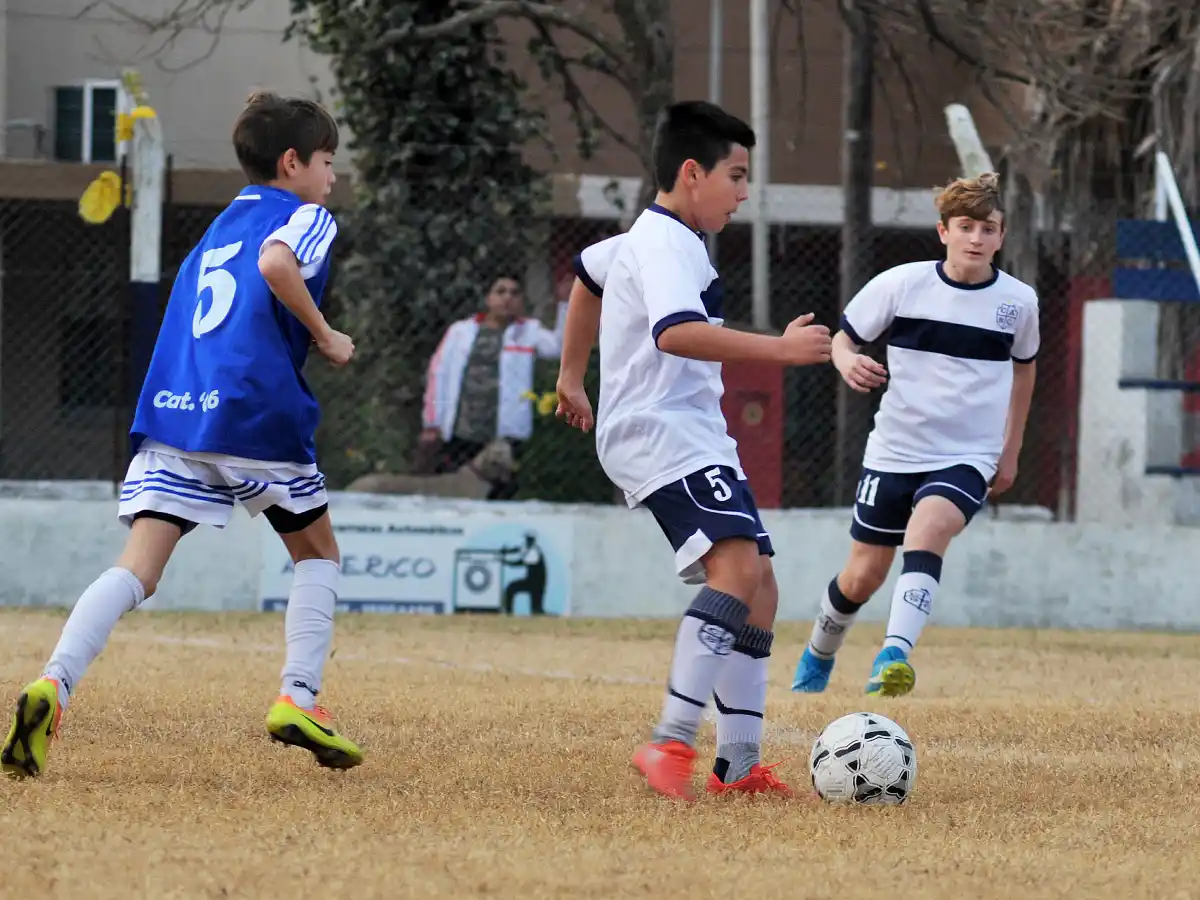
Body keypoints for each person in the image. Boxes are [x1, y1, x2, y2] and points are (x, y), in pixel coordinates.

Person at [1, 91, 363, 778]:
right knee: (318, 555)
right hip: (253, 414)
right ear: (292, 164)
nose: (332, 175)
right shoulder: (307, 215)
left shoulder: (220, 225)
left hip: (176, 412)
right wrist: (326, 336)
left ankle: (52, 684)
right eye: (325, 161)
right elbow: (279, 265)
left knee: (137, 569)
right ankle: (299, 697)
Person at [555, 100, 833, 801]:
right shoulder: (669, 243)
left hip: (689, 429)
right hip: (660, 430)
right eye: (736, 176)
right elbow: (675, 332)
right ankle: (670, 742)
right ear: (691, 172)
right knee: (736, 568)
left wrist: (570, 377)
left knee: (760, 586)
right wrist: (779, 350)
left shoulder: (649, 238)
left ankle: (736, 768)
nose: (744, 192)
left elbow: (588, 279)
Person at [790, 172, 1039, 698]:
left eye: (987, 228)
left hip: (969, 455)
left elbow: (1024, 370)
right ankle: (818, 655)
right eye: (965, 226)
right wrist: (846, 363)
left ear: (1002, 235)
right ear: (943, 232)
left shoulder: (1019, 303)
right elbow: (843, 340)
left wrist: (1009, 449)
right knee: (862, 576)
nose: (976, 238)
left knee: (928, 531)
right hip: (894, 451)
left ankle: (893, 656)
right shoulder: (900, 285)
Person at [420, 273, 567, 499]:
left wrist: (565, 304)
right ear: (488, 298)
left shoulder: (528, 331)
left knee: (501, 497)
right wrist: (432, 422)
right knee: (455, 497)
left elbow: (559, 348)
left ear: (521, 302)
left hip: (504, 436)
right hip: (461, 431)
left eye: (514, 293)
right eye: (500, 291)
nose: (507, 298)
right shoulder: (460, 331)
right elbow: (438, 374)